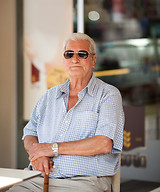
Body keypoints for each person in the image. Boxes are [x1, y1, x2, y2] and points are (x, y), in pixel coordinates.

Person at [8, 33, 124, 192]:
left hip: (84, 182)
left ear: (93, 60)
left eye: (82, 54)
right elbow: (29, 132)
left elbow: (103, 143)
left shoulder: (108, 94)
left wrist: (52, 148)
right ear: (64, 60)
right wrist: (37, 153)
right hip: (39, 179)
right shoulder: (49, 96)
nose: (74, 59)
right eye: (69, 54)